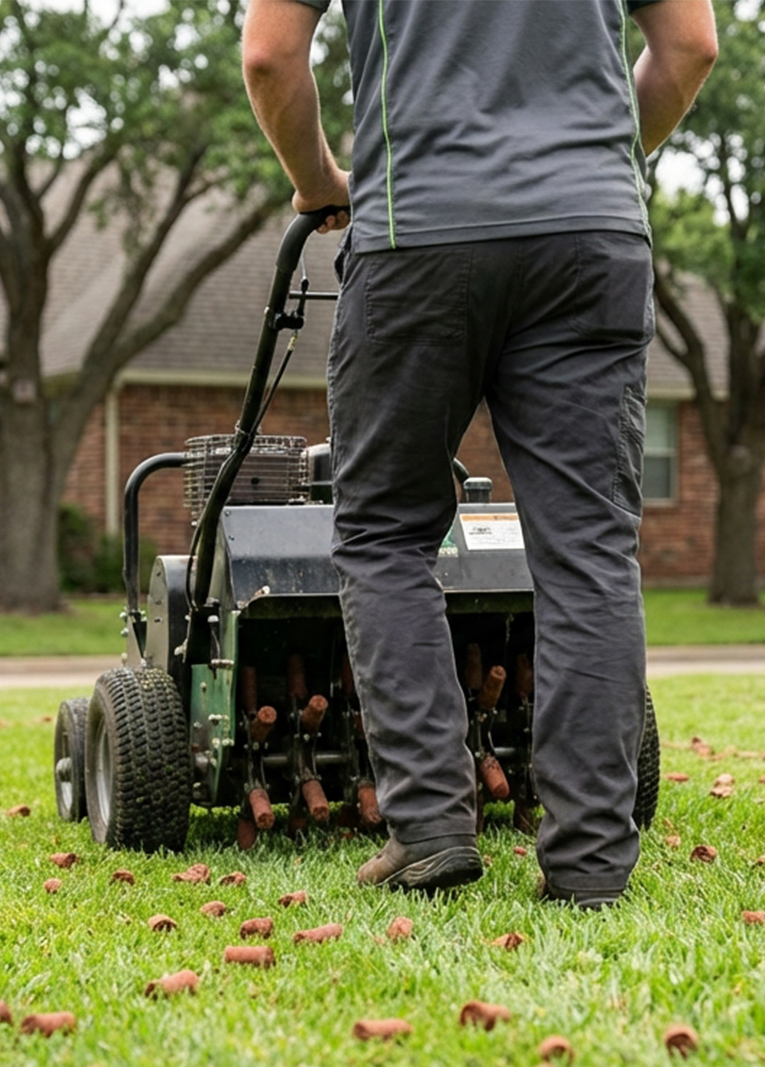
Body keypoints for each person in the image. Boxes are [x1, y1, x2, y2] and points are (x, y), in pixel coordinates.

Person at [242, 0, 717, 906]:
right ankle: (588, 861)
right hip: (590, 236)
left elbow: (269, 58)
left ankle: (429, 831)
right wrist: (599, 165)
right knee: (588, 555)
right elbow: (691, 46)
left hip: (416, 232)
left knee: (384, 532)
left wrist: (318, 183)